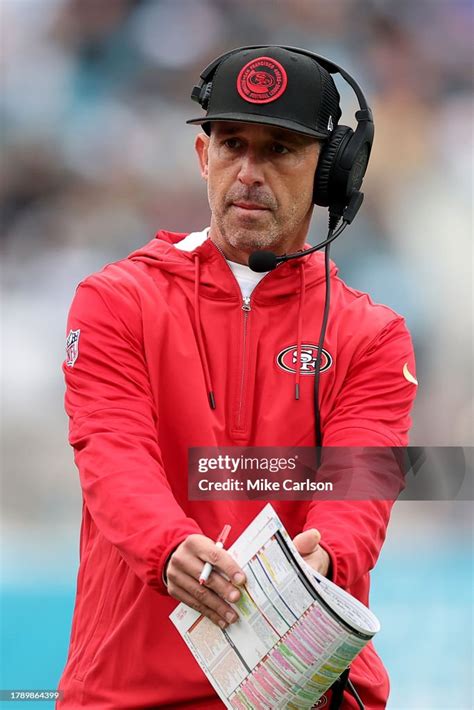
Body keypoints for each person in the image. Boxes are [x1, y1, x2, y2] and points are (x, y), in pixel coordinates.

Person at [57, 46, 417, 709]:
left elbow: (358, 491)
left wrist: (326, 559)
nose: (248, 172)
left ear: (330, 174)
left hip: (305, 697)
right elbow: (113, 454)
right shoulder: (114, 300)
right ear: (203, 158)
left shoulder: (374, 336)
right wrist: (167, 547)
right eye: (232, 145)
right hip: (128, 694)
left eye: (279, 149)